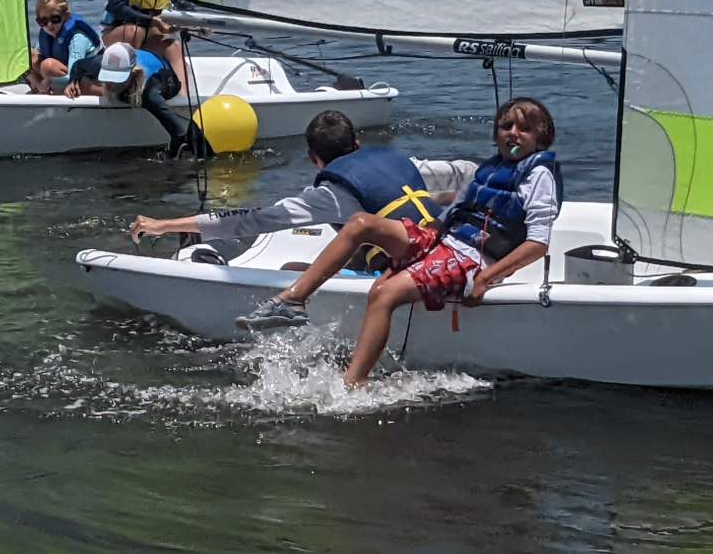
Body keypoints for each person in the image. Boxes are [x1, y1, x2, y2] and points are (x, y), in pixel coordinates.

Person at [237, 97, 562, 387]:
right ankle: (293, 300)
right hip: (448, 241)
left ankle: (354, 383)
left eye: (525, 128)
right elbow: (456, 210)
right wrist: (421, 242)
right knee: (361, 224)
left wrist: (485, 280)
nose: (513, 134)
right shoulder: (491, 169)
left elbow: (537, 243)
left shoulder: (538, 176)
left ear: (541, 136)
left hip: (475, 260)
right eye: (506, 126)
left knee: (383, 293)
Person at [129, 110, 479, 308]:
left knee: (291, 267)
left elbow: (253, 220)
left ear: (315, 160)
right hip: (451, 248)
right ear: (357, 144)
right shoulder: (406, 163)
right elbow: (467, 171)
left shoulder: (331, 193)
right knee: (329, 254)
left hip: (408, 271)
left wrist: (166, 224)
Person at [65, 41, 209, 157]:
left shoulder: (149, 90)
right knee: (117, 93)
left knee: (146, 98)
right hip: (137, 59)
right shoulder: (100, 63)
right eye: (109, 79)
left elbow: (180, 132)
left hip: (164, 76)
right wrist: (72, 81)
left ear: (134, 74)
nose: (112, 85)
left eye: (118, 81)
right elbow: (79, 65)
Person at [99, 0, 190, 96]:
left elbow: (179, 1)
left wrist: (194, 23)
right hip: (118, 34)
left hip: (150, 33)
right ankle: (124, 91)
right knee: (134, 32)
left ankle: (184, 99)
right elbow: (118, 7)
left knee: (174, 46)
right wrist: (152, 20)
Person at [28, 0, 100, 94]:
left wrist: (49, 81)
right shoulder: (48, 34)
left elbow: (74, 73)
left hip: (87, 78)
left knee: (47, 66)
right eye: (43, 21)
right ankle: (41, 88)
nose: (49, 25)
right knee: (31, 57)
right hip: (64, 73)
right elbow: (34, 58)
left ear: (66, 16)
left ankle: (51, 89)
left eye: (55, 19)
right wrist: (36, 80)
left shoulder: (78, 39)